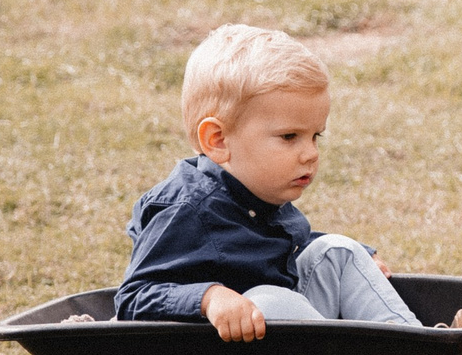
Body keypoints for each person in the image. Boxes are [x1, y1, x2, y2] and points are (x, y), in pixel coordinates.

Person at [116, 24, 430, 338]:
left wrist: (362, 257)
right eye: (289, 137)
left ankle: (414, 348)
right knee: (272, 301)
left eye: (314, 136)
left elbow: (274, 243)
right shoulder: (186, 211)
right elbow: (133, 296)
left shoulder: (256, 194)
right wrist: (209, 297)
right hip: (213, 348)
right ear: (218, 140)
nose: (310, 154)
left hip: (278, 344)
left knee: (338, 250)